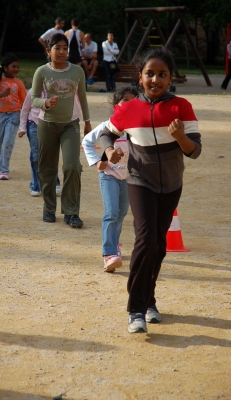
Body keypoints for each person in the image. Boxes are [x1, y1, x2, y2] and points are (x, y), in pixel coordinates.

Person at [100, 47, 202, 333]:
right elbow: (106, 132)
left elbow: (194, 151)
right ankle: (136, 310)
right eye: (149, 74)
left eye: (162, 74)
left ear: (170, 78)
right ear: (140, 77)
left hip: (171, 183)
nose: (155, 79)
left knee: (158, 245)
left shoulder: (181, 106)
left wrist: (180, 136)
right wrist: (109, 150)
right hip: (139, 179)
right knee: (145, 240)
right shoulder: (129, 108)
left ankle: (150, 299)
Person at [31, 33, 91, 227]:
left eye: (65, 48)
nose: (62, 52)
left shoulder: (77, 72)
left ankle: (71, 212)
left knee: (72, 166)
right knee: (47, 168)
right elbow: (33, 100)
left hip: (70, 124)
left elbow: (82, 98)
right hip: (47, 124)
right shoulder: (41, 71)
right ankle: (49, 208)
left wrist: (87, 121)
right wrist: (46, 103)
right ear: (49, 51)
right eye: (58, 48)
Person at [82, 87, 138, 272]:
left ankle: (115, 243)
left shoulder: (138, 129)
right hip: (109, 176)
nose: (130, 105)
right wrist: (96, 161)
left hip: (128, 178)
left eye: (134, 101)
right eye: (125, 101)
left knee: (121, 213)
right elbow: (87, 142)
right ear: (116, 107)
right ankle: (109, 253)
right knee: (111, 212)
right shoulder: (107, 126)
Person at [0, 53, 27, 180]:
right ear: (5, 68)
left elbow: (24, 100)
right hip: (0, 116)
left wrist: (26, 115)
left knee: (7, 142)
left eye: (18, 67)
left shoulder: (19, 83)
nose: (16, 69)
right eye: (13, 67)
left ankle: (3, 170)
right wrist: (1, 94)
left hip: (14, 116)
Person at [18, 89, 61, 197]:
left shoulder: (56, 90)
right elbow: (25, 110)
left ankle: (54, 183)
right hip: (34, 125)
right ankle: (35, 186)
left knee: (51, 155)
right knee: (36, 156)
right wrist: (22, 128)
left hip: (51, 125)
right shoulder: (33, 92)